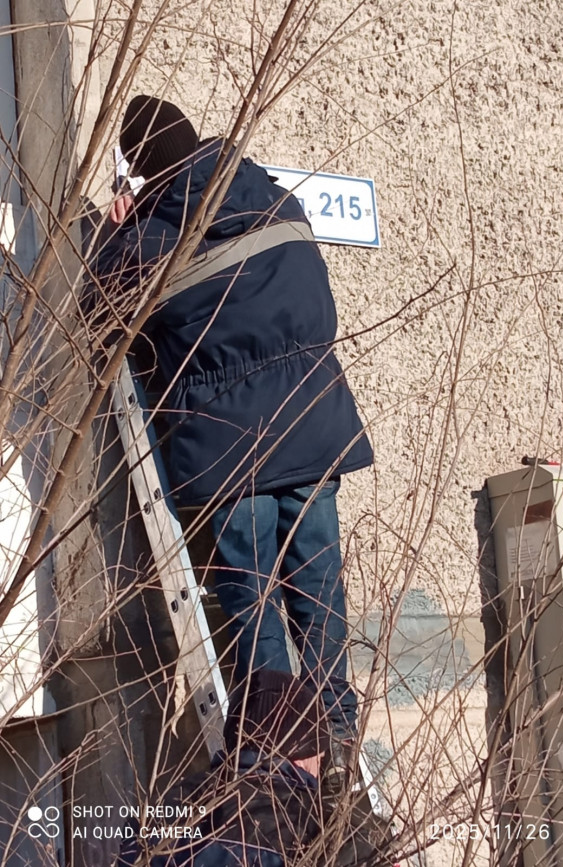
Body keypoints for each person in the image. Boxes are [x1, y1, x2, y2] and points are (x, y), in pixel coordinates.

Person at [93, 96, 374, 762]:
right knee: (318, 590)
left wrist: (113, 232)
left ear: (141, 168)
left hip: (232, 448)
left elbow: (97, 307)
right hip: (311, 428)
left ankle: (285, 756)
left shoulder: (157, 236)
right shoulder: (277, 200)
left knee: (253, 601)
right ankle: (337, 732)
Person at [115, 670, 393, 867]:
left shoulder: (160, 814)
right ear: (302, 753)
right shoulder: (336, 833)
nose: (320, 768)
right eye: (319, 756)